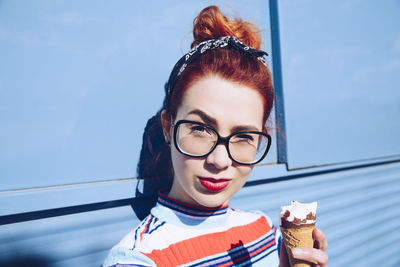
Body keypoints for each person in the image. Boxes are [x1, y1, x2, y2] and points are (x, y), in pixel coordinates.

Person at [104, 5, 328, 267]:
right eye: (200, 129)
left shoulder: (266, 231)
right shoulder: (138, 258)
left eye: (243, 136)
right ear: (168, 127)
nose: (220, 161)